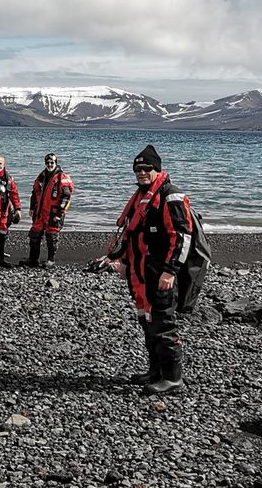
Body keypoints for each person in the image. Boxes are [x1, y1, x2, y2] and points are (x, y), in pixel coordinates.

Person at [103, 144, 193, 395]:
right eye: (137, 169)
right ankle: (155, 371)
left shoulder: (170, 197)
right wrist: (124, 262)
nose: (141, 172)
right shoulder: (141, 197)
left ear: (157, 169)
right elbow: (132, 235)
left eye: (146, 168)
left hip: (159, 273)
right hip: (140, 273)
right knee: (147, 321)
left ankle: (173, 378)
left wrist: (170, 271)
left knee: (164, 323)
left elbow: (182, 236)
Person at [25, 153, 74, 268]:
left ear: (56, 163)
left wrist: (59, 213)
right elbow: (35, 192)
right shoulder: (42, 176)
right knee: (34, 235)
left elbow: (66, 196)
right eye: (47, 162)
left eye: (52, 162)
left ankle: (50, 260)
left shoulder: (61, 177)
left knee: (52, 237)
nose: (50, 164)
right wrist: (32, 207)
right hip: (40, 212)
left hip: (53, 213)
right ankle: (33, 259)